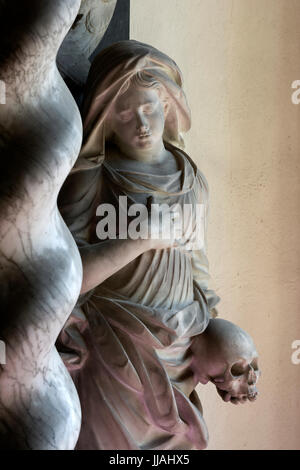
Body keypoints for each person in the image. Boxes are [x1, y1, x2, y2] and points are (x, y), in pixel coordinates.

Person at [57, 40, 257, 450]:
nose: (141, 123)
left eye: (149, 106)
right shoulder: (94, 176)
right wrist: (140, 238)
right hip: (117, 348)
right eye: (124, 112)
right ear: (104, 119)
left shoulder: (191, 178)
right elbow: (64, 276)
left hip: (179, 353)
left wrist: (229, 350)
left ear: (168, 104)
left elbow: (198, 275)